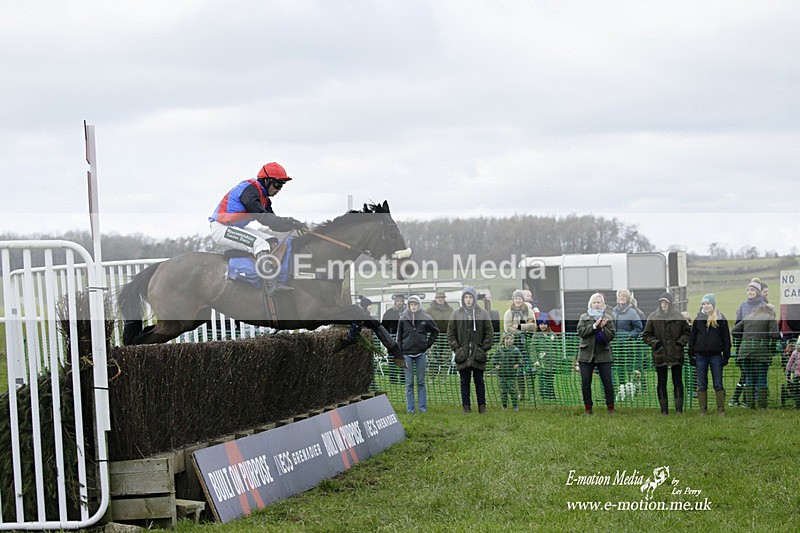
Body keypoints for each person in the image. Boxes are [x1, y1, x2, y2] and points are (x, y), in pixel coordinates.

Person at [209, 162, 306, 291]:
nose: (279, 189)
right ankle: (271, 284)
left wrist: (293, 224)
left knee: (274, 242)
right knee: (261, 245)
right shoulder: (249, 190)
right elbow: (263, 218)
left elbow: (273, 224)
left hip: (235, 228)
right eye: (277, 184)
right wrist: (289, 220)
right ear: (266, 181)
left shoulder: (265, 199)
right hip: (221, 228)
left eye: (282, 185)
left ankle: (278, 277)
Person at [642, 292, 691, 415]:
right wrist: (656, 343)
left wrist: (680, 343)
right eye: (662, 302)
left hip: (676, 353)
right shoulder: (653, 317)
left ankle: (679, 410)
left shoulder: (678, 316)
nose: (663, 305)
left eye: (666, 302)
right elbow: (646, 336)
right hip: (660, 354)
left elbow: (687, 332)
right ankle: (664, 411)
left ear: (670, 303)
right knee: (661, 382)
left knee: (677, 381)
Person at [448, 286, 494, 414]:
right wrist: (457, 349)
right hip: (462, 355)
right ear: (463, 299)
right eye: (466, 297)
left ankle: (482, 407)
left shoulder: (483, 313)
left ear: (474, 298)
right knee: (464, 382)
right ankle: (466, 407)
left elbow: (489, 332)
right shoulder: (456, 314)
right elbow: (451, 333)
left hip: (478, 354)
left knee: (479, 381)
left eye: (470, 297)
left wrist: (483, 348)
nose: (468, 300)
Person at [732, 296, 780, 409]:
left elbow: (734, 331)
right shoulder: (770, 318)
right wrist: (771, 347)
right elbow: (774, 335)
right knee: (761, 379)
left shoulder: (748, 317)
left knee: (749, 378)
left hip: (745, 352)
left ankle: (750, 405)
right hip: (761, 353)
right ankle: (762, 406)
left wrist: (746, 339)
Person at [687, 294, 731, 415]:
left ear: (713, 305)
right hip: (700, 356)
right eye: (704, 304)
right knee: (701, 384)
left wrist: (726, 355)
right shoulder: (698, 320)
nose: (706, 306)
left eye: (708, 304)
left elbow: (726, 338)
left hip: (716, 355)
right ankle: (703, 409)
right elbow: (692, 338)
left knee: (718, 383)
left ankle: (721, 409)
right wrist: (691, 354)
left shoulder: (721, 319)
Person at [396, 295, 439, 414]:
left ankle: (423, 409)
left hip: (421, 354)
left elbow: (435, 331)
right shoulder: (403, 318)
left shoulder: (426, 318)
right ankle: (410, 410)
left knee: (421, 382)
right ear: (408, 305)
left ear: (419, 305)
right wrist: (399, 353)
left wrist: (427, 345)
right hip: (406, 354)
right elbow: (399, 337)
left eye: (415, 304)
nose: (413, 306)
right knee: (409, 383)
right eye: (411, 304)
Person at [576, 292, 617, 415]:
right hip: (586, 355)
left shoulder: (608, 318)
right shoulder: (584, 317)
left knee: (607, 382)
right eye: (594, 302)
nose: (596, 304)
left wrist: (603, 328)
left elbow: (611, 336)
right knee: (585, 382)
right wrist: (594, 326)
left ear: (603, 304)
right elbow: (581, 332)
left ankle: (611, 407)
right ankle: (588, 408)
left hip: (603, 354)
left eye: (599, 302)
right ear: (590, 304)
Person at [730, 280, 768, 406]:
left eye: (752, 290)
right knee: (748, 375)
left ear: (757, 292)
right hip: (746, 345)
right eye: (748, 290)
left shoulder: (764, 306)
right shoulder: (743, 306)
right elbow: (737, 326)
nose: (749, 292)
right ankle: (749, 403)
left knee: (760, 375)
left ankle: (760, 402)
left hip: (760, 345)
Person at [503, 290, 537, 399]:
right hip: (515, 343)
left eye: (520, 298)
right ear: (513, 300)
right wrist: (522, 330)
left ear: (523, 300)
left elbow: (533, 325)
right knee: (518, 371)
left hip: (527, 343)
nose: (518, 300)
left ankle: (532, 393)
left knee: (530, 370)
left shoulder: (529, 311)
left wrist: (518, 326)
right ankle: (521, 393)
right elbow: (507, 328)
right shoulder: (508, 313)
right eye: (516, 298)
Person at [611, 289, 643, 392]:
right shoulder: (613, 312)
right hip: (615, 345)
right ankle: (622, 387)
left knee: (630, 367)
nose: (622, 298)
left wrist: (629, 336)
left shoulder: (633, 313)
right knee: (618, 367)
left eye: (624, 296)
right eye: (620, 296)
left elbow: (638, 328)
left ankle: (634, 387)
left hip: (628, 345)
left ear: (628, 299)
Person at [427, 290, 455, 377]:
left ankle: (443, 377)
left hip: (446, 337)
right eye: (438, 297)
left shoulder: (450, 310)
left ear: (444, 298)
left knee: (446, 358)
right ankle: (431, 377)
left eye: (442, 297)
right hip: (434, 337)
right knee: (432, 358)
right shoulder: (429, 310)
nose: (440, 299)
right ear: (435, 298)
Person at [381, 294, 407, 383]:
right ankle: (393, 378)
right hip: (391, 339)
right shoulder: (388, 313)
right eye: (398, 301)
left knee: (403, 358)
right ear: (395, 302)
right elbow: (383, 327)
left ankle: (403, 378)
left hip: (403, 339)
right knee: (392, 358)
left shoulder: (407, 313)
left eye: (401, 301)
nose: (399, 303)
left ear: (403, 302)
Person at [494, 334, 524, 411]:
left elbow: (521, 358)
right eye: (507, 339)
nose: (509, 340)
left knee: (513, 391)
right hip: (502, 374)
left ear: (513, 340)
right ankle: (504, 406)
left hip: (512, 374)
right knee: (503, 391)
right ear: (503, 340)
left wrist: (518, 364)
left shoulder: (515, 350)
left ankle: (515, 406)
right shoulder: (499, 350)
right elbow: (494, 358)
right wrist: (496, 364)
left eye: (511, 339)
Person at [531, 316, 557, 400]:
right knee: (542, 378)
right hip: (541, 361)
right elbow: (533, 349)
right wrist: (535, 360)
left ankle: (551, 394)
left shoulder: (552, 334)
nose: (543, 326)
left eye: (545, 324)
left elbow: (557, 347)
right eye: (541, 324)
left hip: (551, 360)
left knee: (550, 378)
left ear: (548, 325)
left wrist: (557, 358)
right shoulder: (536, 335)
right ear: (538, 325)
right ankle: (543, 394)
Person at [784, 337, 800, 409]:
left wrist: (787, 370)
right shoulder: (795, 352)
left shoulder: (795, 352)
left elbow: (790, 363)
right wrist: (788, 370)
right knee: (796, 388)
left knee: (796, 389)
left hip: (796, 373)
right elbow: (790, 363)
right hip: (797, 373)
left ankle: (797, 403)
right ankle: (797, 403)